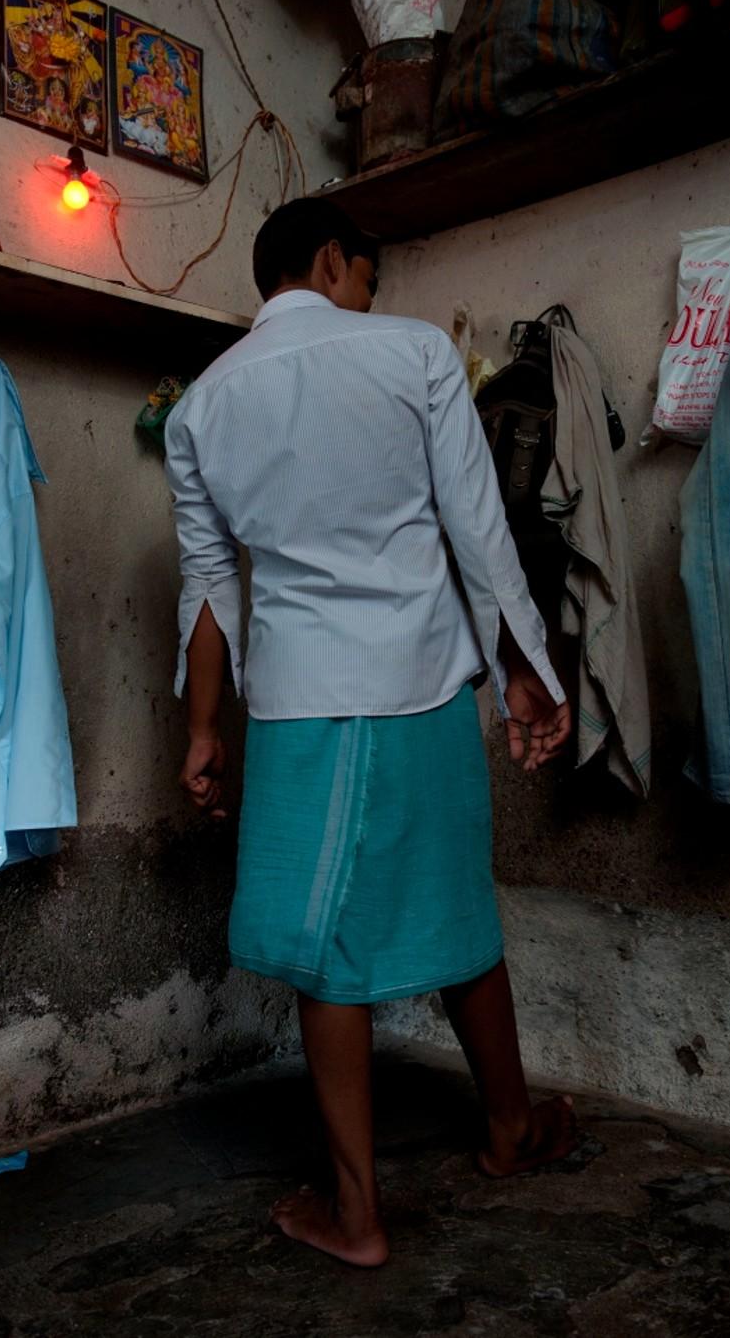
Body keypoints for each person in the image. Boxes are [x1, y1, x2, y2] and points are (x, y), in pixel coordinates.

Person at [164, 199, 574, 1269]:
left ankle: (358, 1210)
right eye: (362, 279)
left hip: (300, 702)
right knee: (456, 906)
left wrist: (204, 725)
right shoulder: (412, 355)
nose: (365, 299)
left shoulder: (199, 409)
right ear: (332, 260)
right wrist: (524, 670)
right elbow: (474, 522)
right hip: (423, 680)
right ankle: (507, 1126)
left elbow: (212, 586)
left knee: (323, 952)